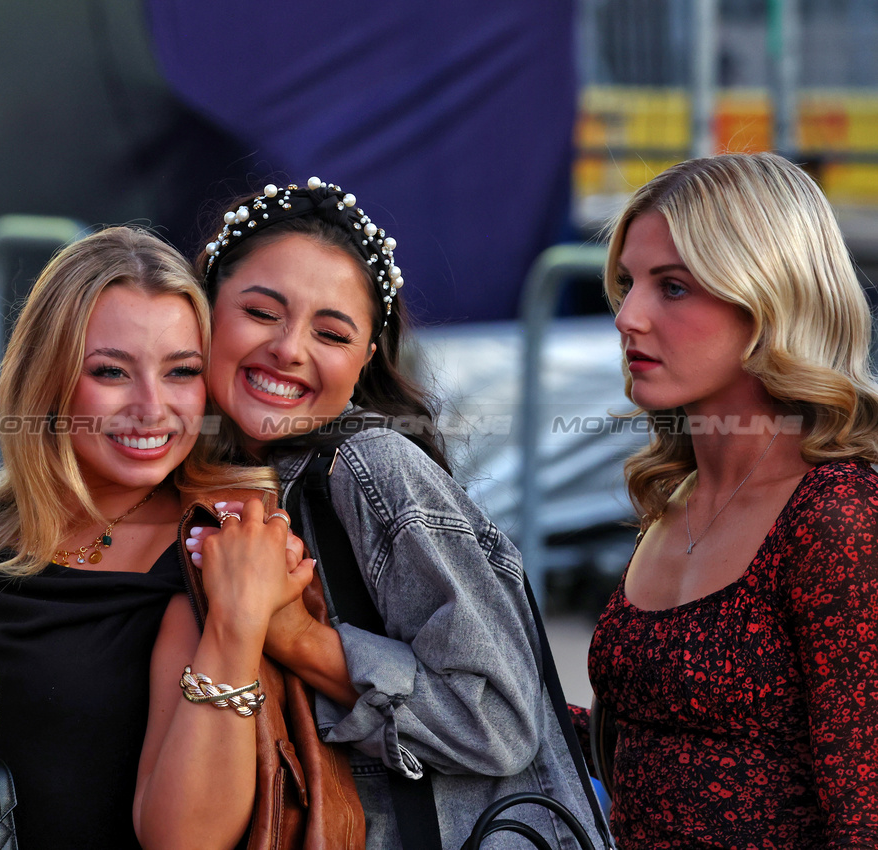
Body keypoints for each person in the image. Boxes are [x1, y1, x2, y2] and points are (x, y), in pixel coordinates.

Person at [135, 180, 605, 849]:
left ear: (363, 361)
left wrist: (294, 634)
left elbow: (496, 722)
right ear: (205, 311)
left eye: (330, 332)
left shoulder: (371, 468)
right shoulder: (181, 472)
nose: (289, 348)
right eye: (262, 312)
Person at [581, 152, 878, 849]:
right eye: (627, 283)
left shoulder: (836, 514)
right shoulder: (677, 492)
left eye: (672, 287)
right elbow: (662, 739)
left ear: (768, 295)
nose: (627, 317)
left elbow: (864, 815)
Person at [0, 226, 294, 848]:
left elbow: (185, 840)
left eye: (181, 372)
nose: (151, 407)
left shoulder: (224, 543)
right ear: (47, 380)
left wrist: (233, 627)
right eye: (112, 372)